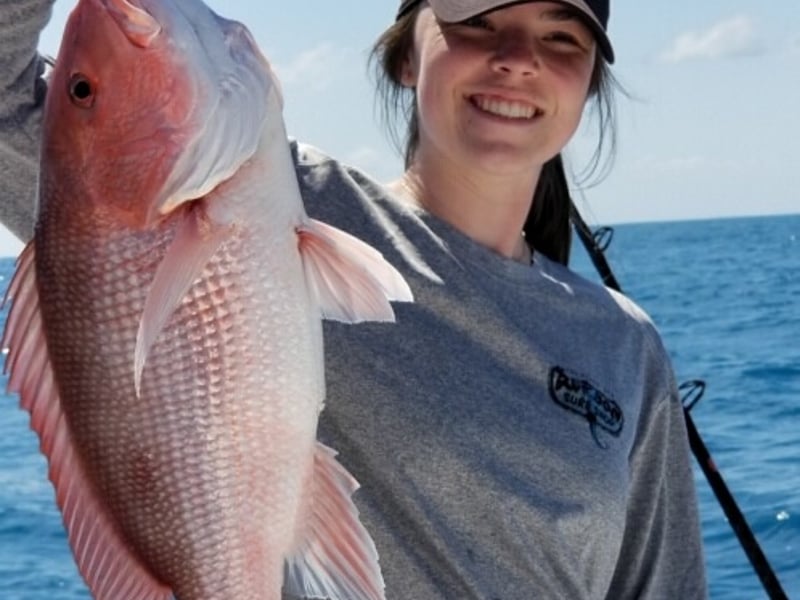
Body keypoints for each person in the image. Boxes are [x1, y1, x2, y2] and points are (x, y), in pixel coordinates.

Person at [0, 0, 708, 598]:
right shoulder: (276, 199)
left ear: (588, 86)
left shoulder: (624, 343)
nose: (518, 59)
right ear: (406, 57)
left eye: (561, 38)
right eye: (479, 22)